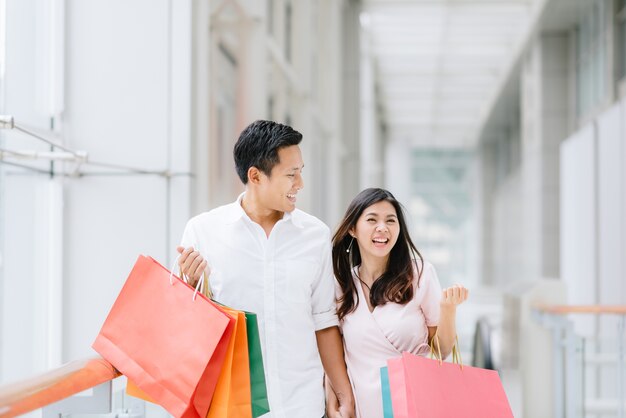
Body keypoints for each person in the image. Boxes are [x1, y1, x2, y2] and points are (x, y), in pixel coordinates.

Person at [176, 120, 355, 418]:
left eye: (301, 172)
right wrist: (192, 284)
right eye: (291, 174)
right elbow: (183, 326)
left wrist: (342, 392)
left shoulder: (315, 235)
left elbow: (323, 320)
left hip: (301, 405)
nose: (300, 184)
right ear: (256, 176)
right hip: (231, 407)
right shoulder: (203, 231)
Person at [326, 188, 468, 418]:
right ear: (352, 229)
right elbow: (334, 354)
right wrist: (335, 401)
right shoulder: (341, 283)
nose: (382, 227)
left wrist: (448, 310)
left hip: (415, 405)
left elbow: (441, 351)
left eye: (390, 221)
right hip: (363, 408)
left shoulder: (419, 273)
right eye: (372, 219)